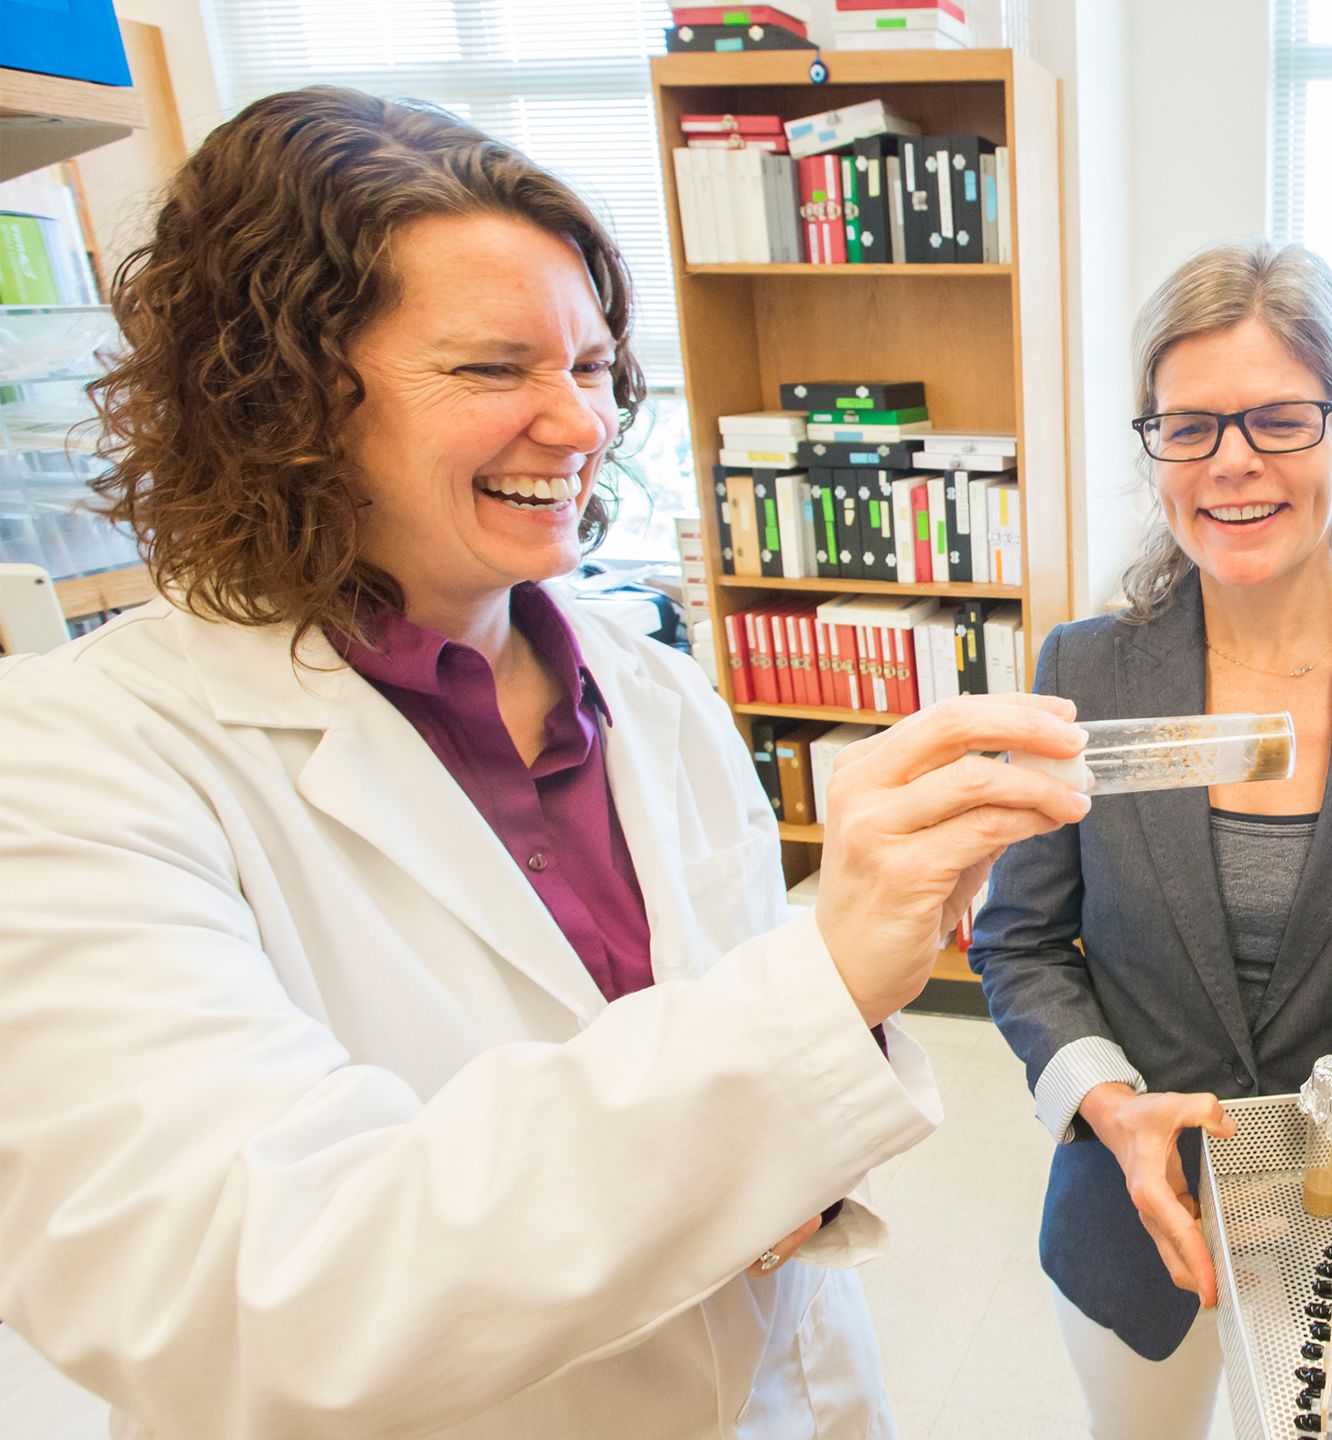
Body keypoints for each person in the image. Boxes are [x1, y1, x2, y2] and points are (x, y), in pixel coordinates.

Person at [0, 88, 1089, 1440]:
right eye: (491, 368)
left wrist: (832, 1045)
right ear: (278, 396)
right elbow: (253, 1291)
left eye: (587, 366)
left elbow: (737, 1062)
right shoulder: (77, 765)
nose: (580, 426)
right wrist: (818, 986)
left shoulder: (650, 688)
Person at [969, 240, 1332, 1440]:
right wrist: (1105, 1103)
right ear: (1154, 444)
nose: (1232, 464)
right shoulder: (1084, 670)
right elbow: (1019, 942)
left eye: (1278, 420)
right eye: (1190, 427)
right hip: (1133, 1213)